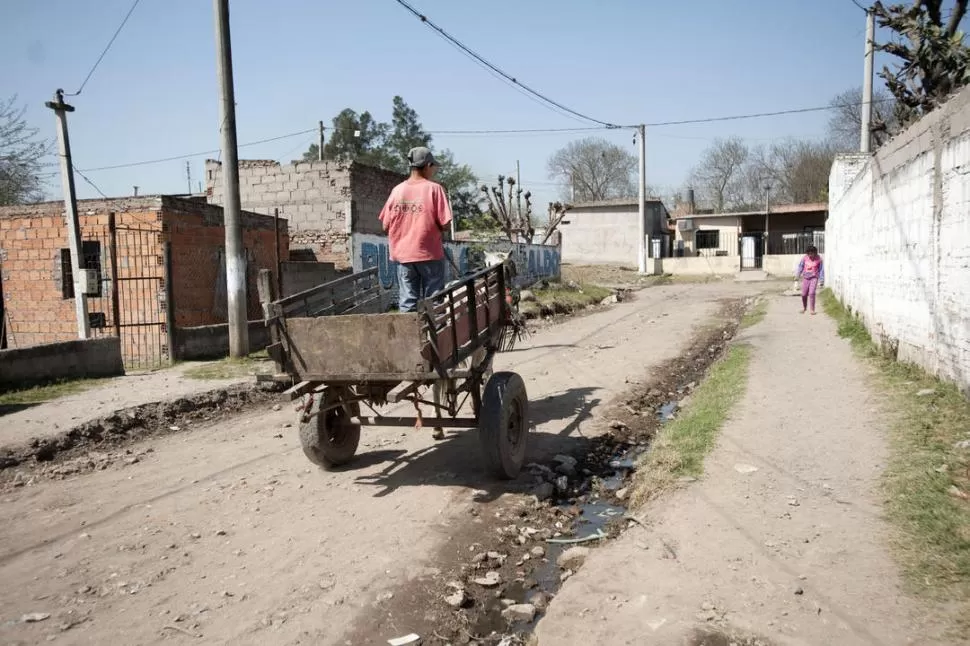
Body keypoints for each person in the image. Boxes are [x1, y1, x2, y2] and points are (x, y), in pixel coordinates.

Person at [378, 147, 454, 313]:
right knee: (434, 301)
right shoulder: (434, 189)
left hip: (404, 258)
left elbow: (385, 226)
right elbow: (446, 224)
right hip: (429, 255)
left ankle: (410, 337)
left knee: (407, 302)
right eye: (433, 167)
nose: (434, 171)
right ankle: (435, 336)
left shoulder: (397, 191)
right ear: (427, 165)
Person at [796, 245, 825, 315]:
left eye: (812, 253)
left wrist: (821, 280)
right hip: (806, 278)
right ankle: (804, 307)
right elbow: (801, 266)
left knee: (811, 293)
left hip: (814, 278)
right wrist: (798, 275)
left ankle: (812, 309)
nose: (810, 255)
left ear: (815, 253)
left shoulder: (819, 259)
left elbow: (821, 270)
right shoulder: (805, 258)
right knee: (803, 294)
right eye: (809, 253)